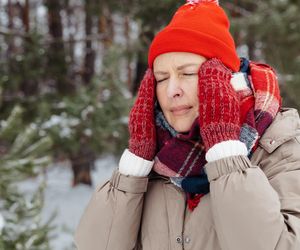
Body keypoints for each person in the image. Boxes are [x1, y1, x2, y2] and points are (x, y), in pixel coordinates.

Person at [74, 0, 300, 249]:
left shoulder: (280, 149)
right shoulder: (155, 159)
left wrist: (224, 150)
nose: (172, 90)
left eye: (187, 74)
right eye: (161, 78)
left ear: (224, 80)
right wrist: (136, 163)